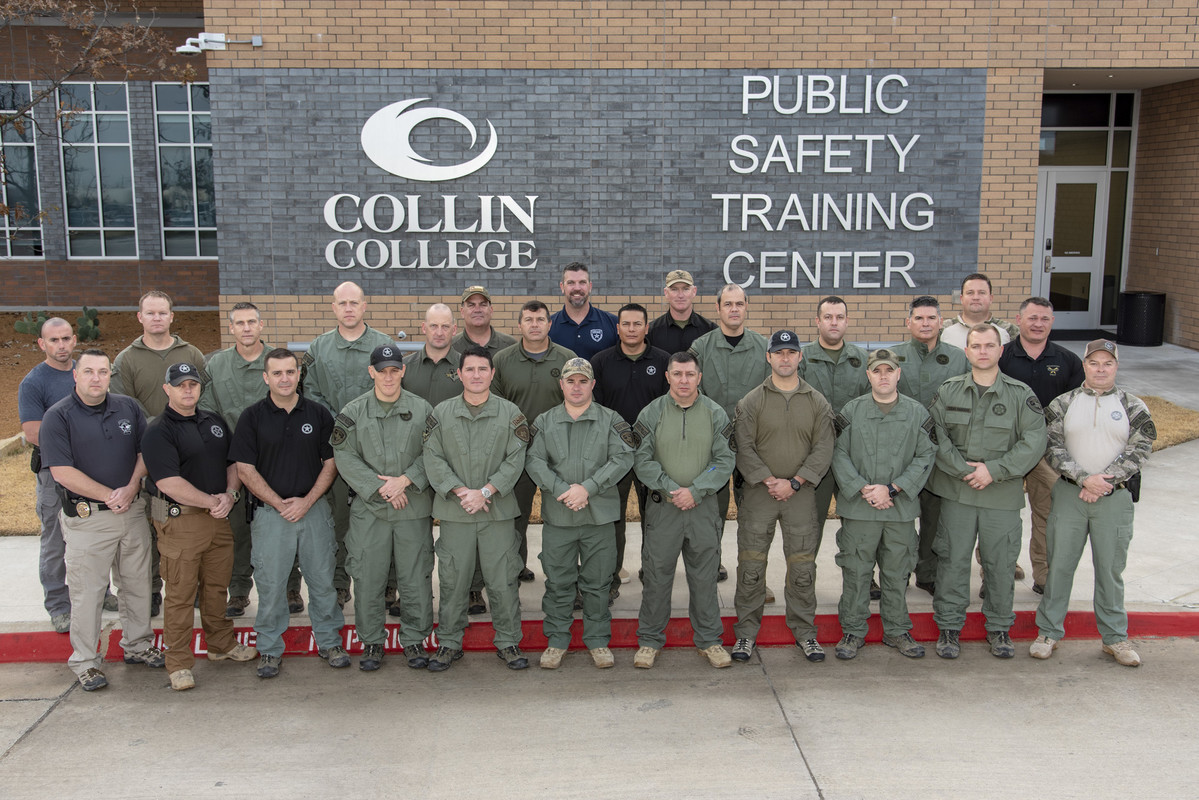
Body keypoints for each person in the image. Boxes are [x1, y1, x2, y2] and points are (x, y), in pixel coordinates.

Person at [39, 349, 164, 691]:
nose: (97, 378)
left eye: (103, 372)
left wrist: (132, 485)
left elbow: (144, 453)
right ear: (75, 375)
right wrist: (110, 495)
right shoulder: (58, 416)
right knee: (88, 593)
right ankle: (85, 661)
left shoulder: (128, 407)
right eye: (89, 371)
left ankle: (138, 646)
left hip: (132, 512)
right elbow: (62, 472)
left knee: (137, 584)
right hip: (88, 519)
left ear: (111, 375)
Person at [1031, 339, 1155, 667]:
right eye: (1094, 363)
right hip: (1071, 495)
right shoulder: (1063, 403)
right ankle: (1048, 632)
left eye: (1107, 363)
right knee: (1059, 566)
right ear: (1084, 365)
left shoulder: (1133, 405)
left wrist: (1104, 481)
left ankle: (1115, 638)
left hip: (1114, 498)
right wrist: (1083, 477)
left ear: (1116, 366)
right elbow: (1051, 445)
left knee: (1110, 570)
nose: (1101, 369)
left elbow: (1141, 448)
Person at [928, 325, 1046, 660]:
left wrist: (993, 470)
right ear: (966, 351)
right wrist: (965, 470)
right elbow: (934, 435)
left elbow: (1034, 441)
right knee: (952, 560)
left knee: (1000, 563)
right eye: (975, 346)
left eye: (989, 345)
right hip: (957, 492)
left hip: (1001, 495)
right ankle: (949, 627)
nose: (982, 351)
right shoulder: (949, 390)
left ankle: (998, 628)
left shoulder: (1021, 394)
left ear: (1001, 350)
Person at [230, 348, 348, 679]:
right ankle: (269, 649)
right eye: (277, 373)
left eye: (290, 372)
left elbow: (331, 462)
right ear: (266, 377)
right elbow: (244, 468)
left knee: (323, 582)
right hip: (271, 515)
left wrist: (307, 501)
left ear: (299, 375)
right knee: (270, 585)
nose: (285, 378)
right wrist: (280, 503)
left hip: (312, 512)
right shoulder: (252, 417)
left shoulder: (319, 414)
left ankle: (330, 643)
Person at [141, 363, 258, 691]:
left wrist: (231, 493)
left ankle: (220, 644)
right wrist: (212, 500)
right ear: (167, 389)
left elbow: (233, 462)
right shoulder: (158, 430)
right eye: (180, 385)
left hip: (217, 517)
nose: (188, 390)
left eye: (193, 384)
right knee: (180, 594)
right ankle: (177, 661)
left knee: (216, 587)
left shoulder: (213, 422)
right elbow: (168, 481)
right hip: (181, 521)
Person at [423, 345, 530, 672]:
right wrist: (461, 492)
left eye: (483, 369)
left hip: (495, 512)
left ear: (492, 373)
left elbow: (515, 460)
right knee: (453, 580)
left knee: (502, 580)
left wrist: (485, 491)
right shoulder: (440, 413)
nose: (476, 375)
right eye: (469, 369)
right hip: (457, 513)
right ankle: (449, 644)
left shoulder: (511, 414)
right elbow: (433, 458)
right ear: (459, 373)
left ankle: (509, 641)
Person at [730, 330, 835, 664]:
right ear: (769, 357)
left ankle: (806, 634)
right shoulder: (752, 401)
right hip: (760, 494)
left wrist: (797, 481)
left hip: (801, 495)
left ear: (800, 357)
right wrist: (768, 479)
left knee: (803, 569)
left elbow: (824, 447)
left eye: (791, 352)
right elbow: (742, 446)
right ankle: (745, 634)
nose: (785, 358)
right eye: (779, 353)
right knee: (750, 566)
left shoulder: (817, 402)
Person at [526, 358, 634, 669]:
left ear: (592, 384)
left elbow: (622, 457)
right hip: (560, 516)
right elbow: (534, 461)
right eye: (570, 381)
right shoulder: (545, 421)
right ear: (561, 384)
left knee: (597, 583)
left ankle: (598, 640)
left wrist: (587, 488)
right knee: (558, 582)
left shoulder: (611, 420)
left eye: (582, 381)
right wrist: (563, 490)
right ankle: (557, 640)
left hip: (598, 516)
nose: (576, 386)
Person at [332, 345, 435, 671]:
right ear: (371, 372)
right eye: (382, 370)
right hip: (370, 509)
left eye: (394, 370)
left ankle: (415, 640)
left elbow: (434, 452)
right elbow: (344, 455)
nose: (388, 376)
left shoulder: (422, 409)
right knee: (368, 578)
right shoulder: (353, 411)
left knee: (415, 578)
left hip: (412, 507)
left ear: (402, 371)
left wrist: (404, 480)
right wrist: (382, 487)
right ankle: (372, 642)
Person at [199, 302, 304, 618]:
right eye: (239, 323)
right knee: (236, 531)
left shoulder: (279, 361)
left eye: (252, 322)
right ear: (231, 328)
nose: (246, 328)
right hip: (233, 462)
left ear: (261, 325)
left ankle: (290, 588)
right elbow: (208, 413)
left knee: (285, 526)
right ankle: (239, 591)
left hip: (277, 461)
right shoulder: (216, 366)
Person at [830, 349, 937, 660]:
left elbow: (925, 456)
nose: (883, 376)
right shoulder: (852, 411)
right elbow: (838, 453)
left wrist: (893, 488)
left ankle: (897, 630)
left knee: (897, 571)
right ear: (869, 375)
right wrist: (864, 489)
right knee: (856, 571)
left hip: (899, 509)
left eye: (889, 370)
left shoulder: (917, 413)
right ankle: (852, 630)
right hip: (860, 509)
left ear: (898, 374)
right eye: (877, 371)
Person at [631, 351, 735, 669]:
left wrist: (697, 490)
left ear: (699, 377)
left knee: (704, 577)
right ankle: (649, 640)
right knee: (657, 576)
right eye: (677, 374)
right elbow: (641, 458)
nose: (684, 380)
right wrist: (669, 488)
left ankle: (709, 640)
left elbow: (725, 459)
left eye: (690, 374)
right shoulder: (651, 413)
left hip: (702, 508)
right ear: (668, 377)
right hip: (665, 509)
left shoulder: (716, 414)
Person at [110, 290, 208, 616]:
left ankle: (192, 586)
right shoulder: (127, 360)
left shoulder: (191, 353)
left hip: (189, 453)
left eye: (162, 313)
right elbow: (125, 408)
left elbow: (202, 398)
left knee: (190, 523)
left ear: (171, 316)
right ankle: (152, 589)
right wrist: (160, 432)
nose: (156, 318)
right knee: (151, 526)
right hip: (146, 453)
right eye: (150, 313)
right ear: (140, 317)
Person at [302, 281, 395, 609]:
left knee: (385, 517)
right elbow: (310, 392)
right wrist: (339, 426)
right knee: (338, 518)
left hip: (381, 449)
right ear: (334, 307)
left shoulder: (383, 345)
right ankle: (340, 582)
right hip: (336, 448)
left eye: (354, 302)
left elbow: (393, 391)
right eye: (342, 303)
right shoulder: (319, 348)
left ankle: (388, 585)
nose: (349, 309)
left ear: (364, 306)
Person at [998, 297, 1085, 593]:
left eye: (1044, 319)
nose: (1038, 324)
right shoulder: (1001, 356)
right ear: (1018, 320)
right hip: (1005, 450)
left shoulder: (1068, 360)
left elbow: (1077, 409)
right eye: (1032, 318)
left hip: (1048, 453)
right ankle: (996, 572)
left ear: (1052, 322)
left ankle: (1044, 575)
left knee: (1047, 514)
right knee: (1000, 515)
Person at [688, 284, 770, 582]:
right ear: (718, 308)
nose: (734, 309)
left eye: (739, 304)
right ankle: (711, 565)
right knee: (712, 511)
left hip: (754, 445)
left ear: (747, 307)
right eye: (728, 304)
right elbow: (692, 394)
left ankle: (753, 576)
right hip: (713, 444)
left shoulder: (764, 348)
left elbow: (771, 395)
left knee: (754, 515)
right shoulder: (701, 347)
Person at [590, 302, 670, 600]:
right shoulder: (601, 361)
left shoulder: (663, 362)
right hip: (615, 456)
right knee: (613, 518)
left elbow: (668, 407)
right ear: (618, 327)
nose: (632, 329)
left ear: (646, 327)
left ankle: (652, 576)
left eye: (638, 324)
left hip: (653, 454)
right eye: (626, 324)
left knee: (656, 518)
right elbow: (595, 409)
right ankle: (610, 579)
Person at [492, 300, 576, 582]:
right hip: (516, 452)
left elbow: (578, 402)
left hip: (558, 452)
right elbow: (495, 408)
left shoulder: (567, 358)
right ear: (520, 325)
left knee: (563, 514)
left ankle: (563, 574)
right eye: (529, 319)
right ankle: (515, 567)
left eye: (540, 319)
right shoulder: (502, 360)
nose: (535, 324)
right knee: (516, 514)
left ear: (549, 324)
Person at [892, 296, 969, 595]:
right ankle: (895, 573)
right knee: (898, 519)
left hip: (943, 450)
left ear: (940, 322)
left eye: (931, 318)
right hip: (901, 452)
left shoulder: (959, 358)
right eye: (919, 318)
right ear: (908, 321)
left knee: (935, 517)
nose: (925, 323)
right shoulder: (892, 356)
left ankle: (927, 572)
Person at [18, 317, 80, 632]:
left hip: (93, 472)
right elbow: (32, 432)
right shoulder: (34, 382)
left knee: (95, 538)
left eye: (66, 338)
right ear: (42, 343)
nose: (61, 345)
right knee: (55, 540)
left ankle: (103, 593)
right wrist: (80, 440)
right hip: (52, 473)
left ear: (74, 340)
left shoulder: (86, 373)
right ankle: (58, 605)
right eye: (53, 340)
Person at [797, 295, 870, 547]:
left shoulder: (863, 360)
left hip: (854, 456)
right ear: (818, 321)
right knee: (809, 525)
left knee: (858, 523)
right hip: (815, 455)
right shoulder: (802, 359)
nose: (834, 322)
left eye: (839, 317)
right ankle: (803, 584)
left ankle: (861, 579)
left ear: (847, 321)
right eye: (828, 317)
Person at [548, 262, 618, 360]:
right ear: (562, 287)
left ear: (590, 286)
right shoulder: (548, 326)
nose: (577, 288)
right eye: (571, 282)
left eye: (582, 282)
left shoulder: (613, 323)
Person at [402, 303, 462, 407]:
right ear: (424, 328)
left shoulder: (467, 367)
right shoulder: (404, 367)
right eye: (433, 326)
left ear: (454, 329)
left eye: (445, 326)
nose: (439, 333)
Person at [940, 273, 1019, 350]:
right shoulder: (942, 330)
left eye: (982, 293)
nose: (976, 297)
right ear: (961, 299)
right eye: (970, 293)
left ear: (991, 298)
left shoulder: (1010, 331)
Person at [646, 269, 716, 355]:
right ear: (666, 293)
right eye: (674, 289)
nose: (680, 295)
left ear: (694, 291)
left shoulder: (710, 330)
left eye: (685, 289)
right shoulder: (651, 332)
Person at [452, 285, 516, 357]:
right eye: (471, 305)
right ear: (462, 312)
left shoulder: (510, 345)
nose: (477, 310)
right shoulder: (451, 347)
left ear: (491, 310)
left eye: (483, 304)